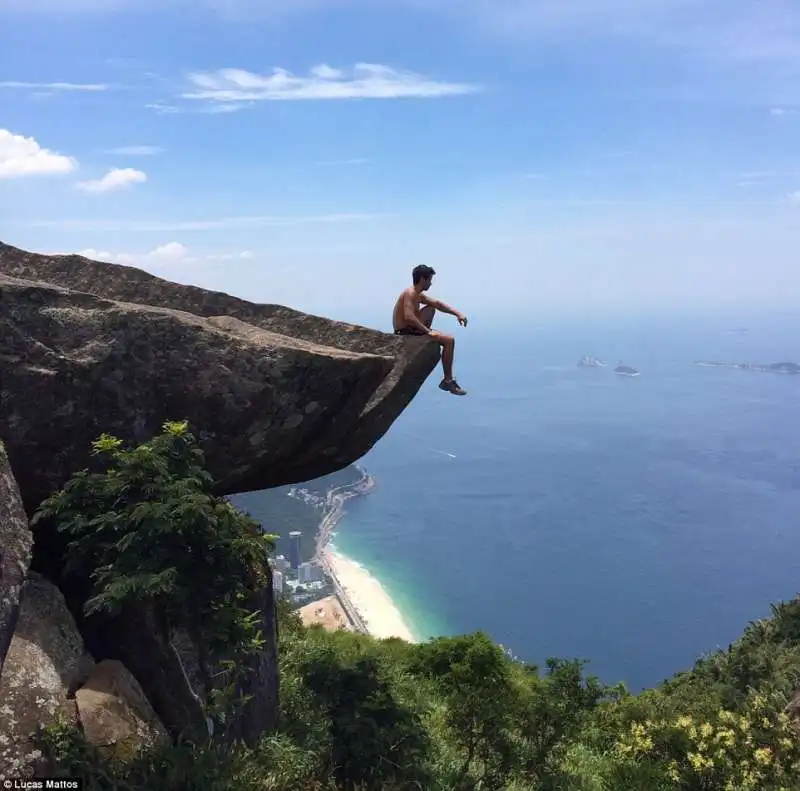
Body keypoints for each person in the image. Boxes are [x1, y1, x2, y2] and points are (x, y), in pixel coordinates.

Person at [392, 264, 468, 396]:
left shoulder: (417, 294)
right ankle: (447, 381)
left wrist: (457, 313)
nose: (431, 283)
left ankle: (447, 380)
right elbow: (409, 317)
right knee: (449, 340)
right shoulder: (410, 293)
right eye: (430, 280)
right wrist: (427, 331)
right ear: (423, 279)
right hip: (405, 333)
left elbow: (437, 304)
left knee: (431, 308)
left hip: (413, 330)